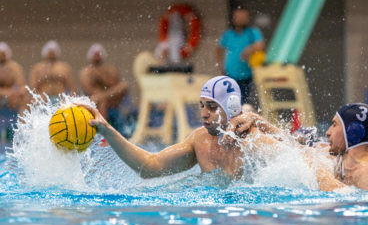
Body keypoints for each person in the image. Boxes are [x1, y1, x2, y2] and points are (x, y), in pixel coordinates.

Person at [80, 75, 342, 190]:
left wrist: (335, 189)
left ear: (229, 108)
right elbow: (150, 166)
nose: (204, 113)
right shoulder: (199, 141)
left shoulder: (253, 143)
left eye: (212, 107)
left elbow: (302, 163)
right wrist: (107, 129)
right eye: (202, 106)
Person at [226, 103, 368, 192]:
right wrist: (257, 121)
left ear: (352, 132)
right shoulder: (330, 158)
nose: (326, 132)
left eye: (334, 125)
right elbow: (288, 146)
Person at [216, 6, 265, 105]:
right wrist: (220, 64)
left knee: (243, 101)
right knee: (230, 101)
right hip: (230, 73)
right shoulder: (228, 34)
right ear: (233, 18)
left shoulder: (252, 32)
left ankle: (242, 119)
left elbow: (260, 45)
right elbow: (218, 48)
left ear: (247, 18)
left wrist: (249, 49)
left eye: (243, 17)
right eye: (238, 17)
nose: (241, 19)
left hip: (246, 74)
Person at [80, 43, 128, 123]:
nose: (97, 57)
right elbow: (88, 89)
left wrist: (101, 78)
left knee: (124, 85)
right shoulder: (86, 71)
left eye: (98, 54)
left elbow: (114, 85)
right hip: (95, 99)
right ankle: (103, 122)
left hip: (110, 97)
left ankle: (102, 100)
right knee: (99, 99)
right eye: (95, 55)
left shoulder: (110, 69)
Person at [0, 42, 27, 112]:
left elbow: (21, 85)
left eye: (3, 54)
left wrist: (17, 93)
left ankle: (21, 120)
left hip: (12, 95)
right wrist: (5, 93)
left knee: (25, 98)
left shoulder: (15, 67)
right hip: (5, 93)